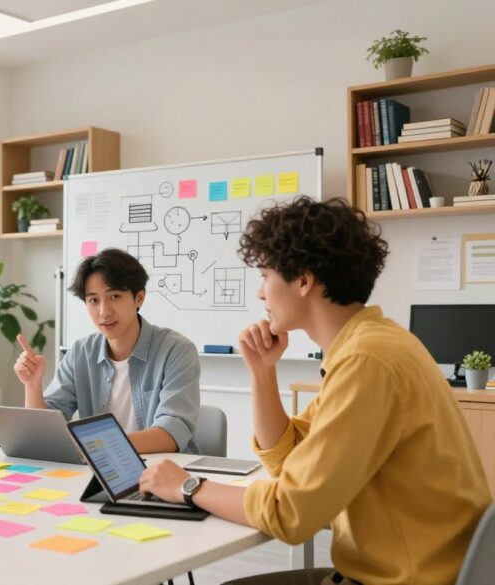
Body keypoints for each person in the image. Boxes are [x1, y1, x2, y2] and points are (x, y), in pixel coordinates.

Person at [139, 196, 493, 584]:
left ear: (304, 280)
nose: (260, 293)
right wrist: (262, 373)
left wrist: (187, 485)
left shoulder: (367, 361)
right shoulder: (369, 344)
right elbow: (289, 458)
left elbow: (290, 514)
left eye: (265, 276)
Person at [14, 247, 201, 454]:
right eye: (93, 300)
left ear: (139, 298)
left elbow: (171, 433)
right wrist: (32, 385)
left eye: (114, 297)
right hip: (101, 471)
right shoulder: (81, 353)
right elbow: (43, 432)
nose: (104, 312)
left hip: (164, 475)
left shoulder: (177, 351)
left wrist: (97, 445)